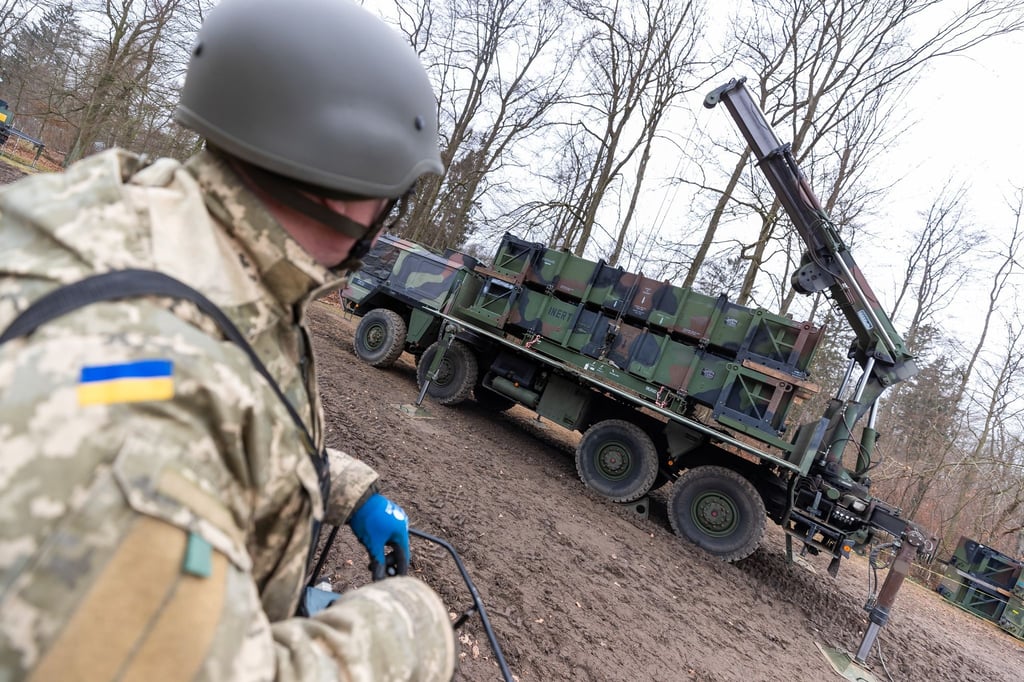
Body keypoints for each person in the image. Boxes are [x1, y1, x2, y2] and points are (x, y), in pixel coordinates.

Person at [0, 0, 455, 680]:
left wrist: (345, 487)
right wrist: (408, 632)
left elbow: (200, 398)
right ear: (347, 186)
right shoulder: (135, 411)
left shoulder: (170, 232)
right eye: (392, 195)